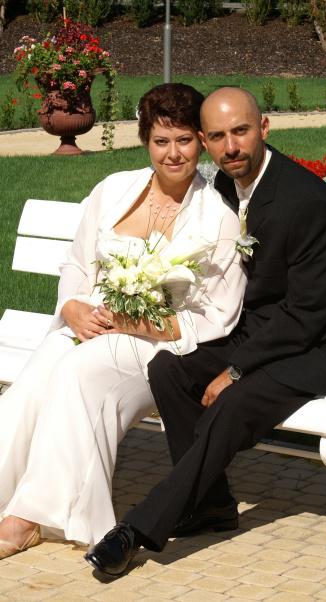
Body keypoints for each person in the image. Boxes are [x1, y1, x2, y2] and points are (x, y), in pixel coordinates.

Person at [85, 87, 326, 577]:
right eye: (217, 136)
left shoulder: (307, 202)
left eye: (241, 131)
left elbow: (307, 316)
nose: (230, 147)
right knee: (168, 369)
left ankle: (138, 529)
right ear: (205, 141)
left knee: (230, 405)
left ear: (264, 128)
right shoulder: (228, 187)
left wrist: (235, 370)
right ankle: (210, 506)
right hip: (256, 334)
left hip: (309, 351)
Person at [0, 83, 246, 559]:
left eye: (184, 140)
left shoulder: (218, 218)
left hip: (155, 345)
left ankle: (32, 517)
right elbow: (76, 264)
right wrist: (72, 307)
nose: (173, 154)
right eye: (161, 141)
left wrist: (136, 324)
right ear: (145, 140)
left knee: (77, 371)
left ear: (200, 141)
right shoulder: (113, 189)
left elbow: (217, 316)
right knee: (43, 370)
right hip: (92, 322)